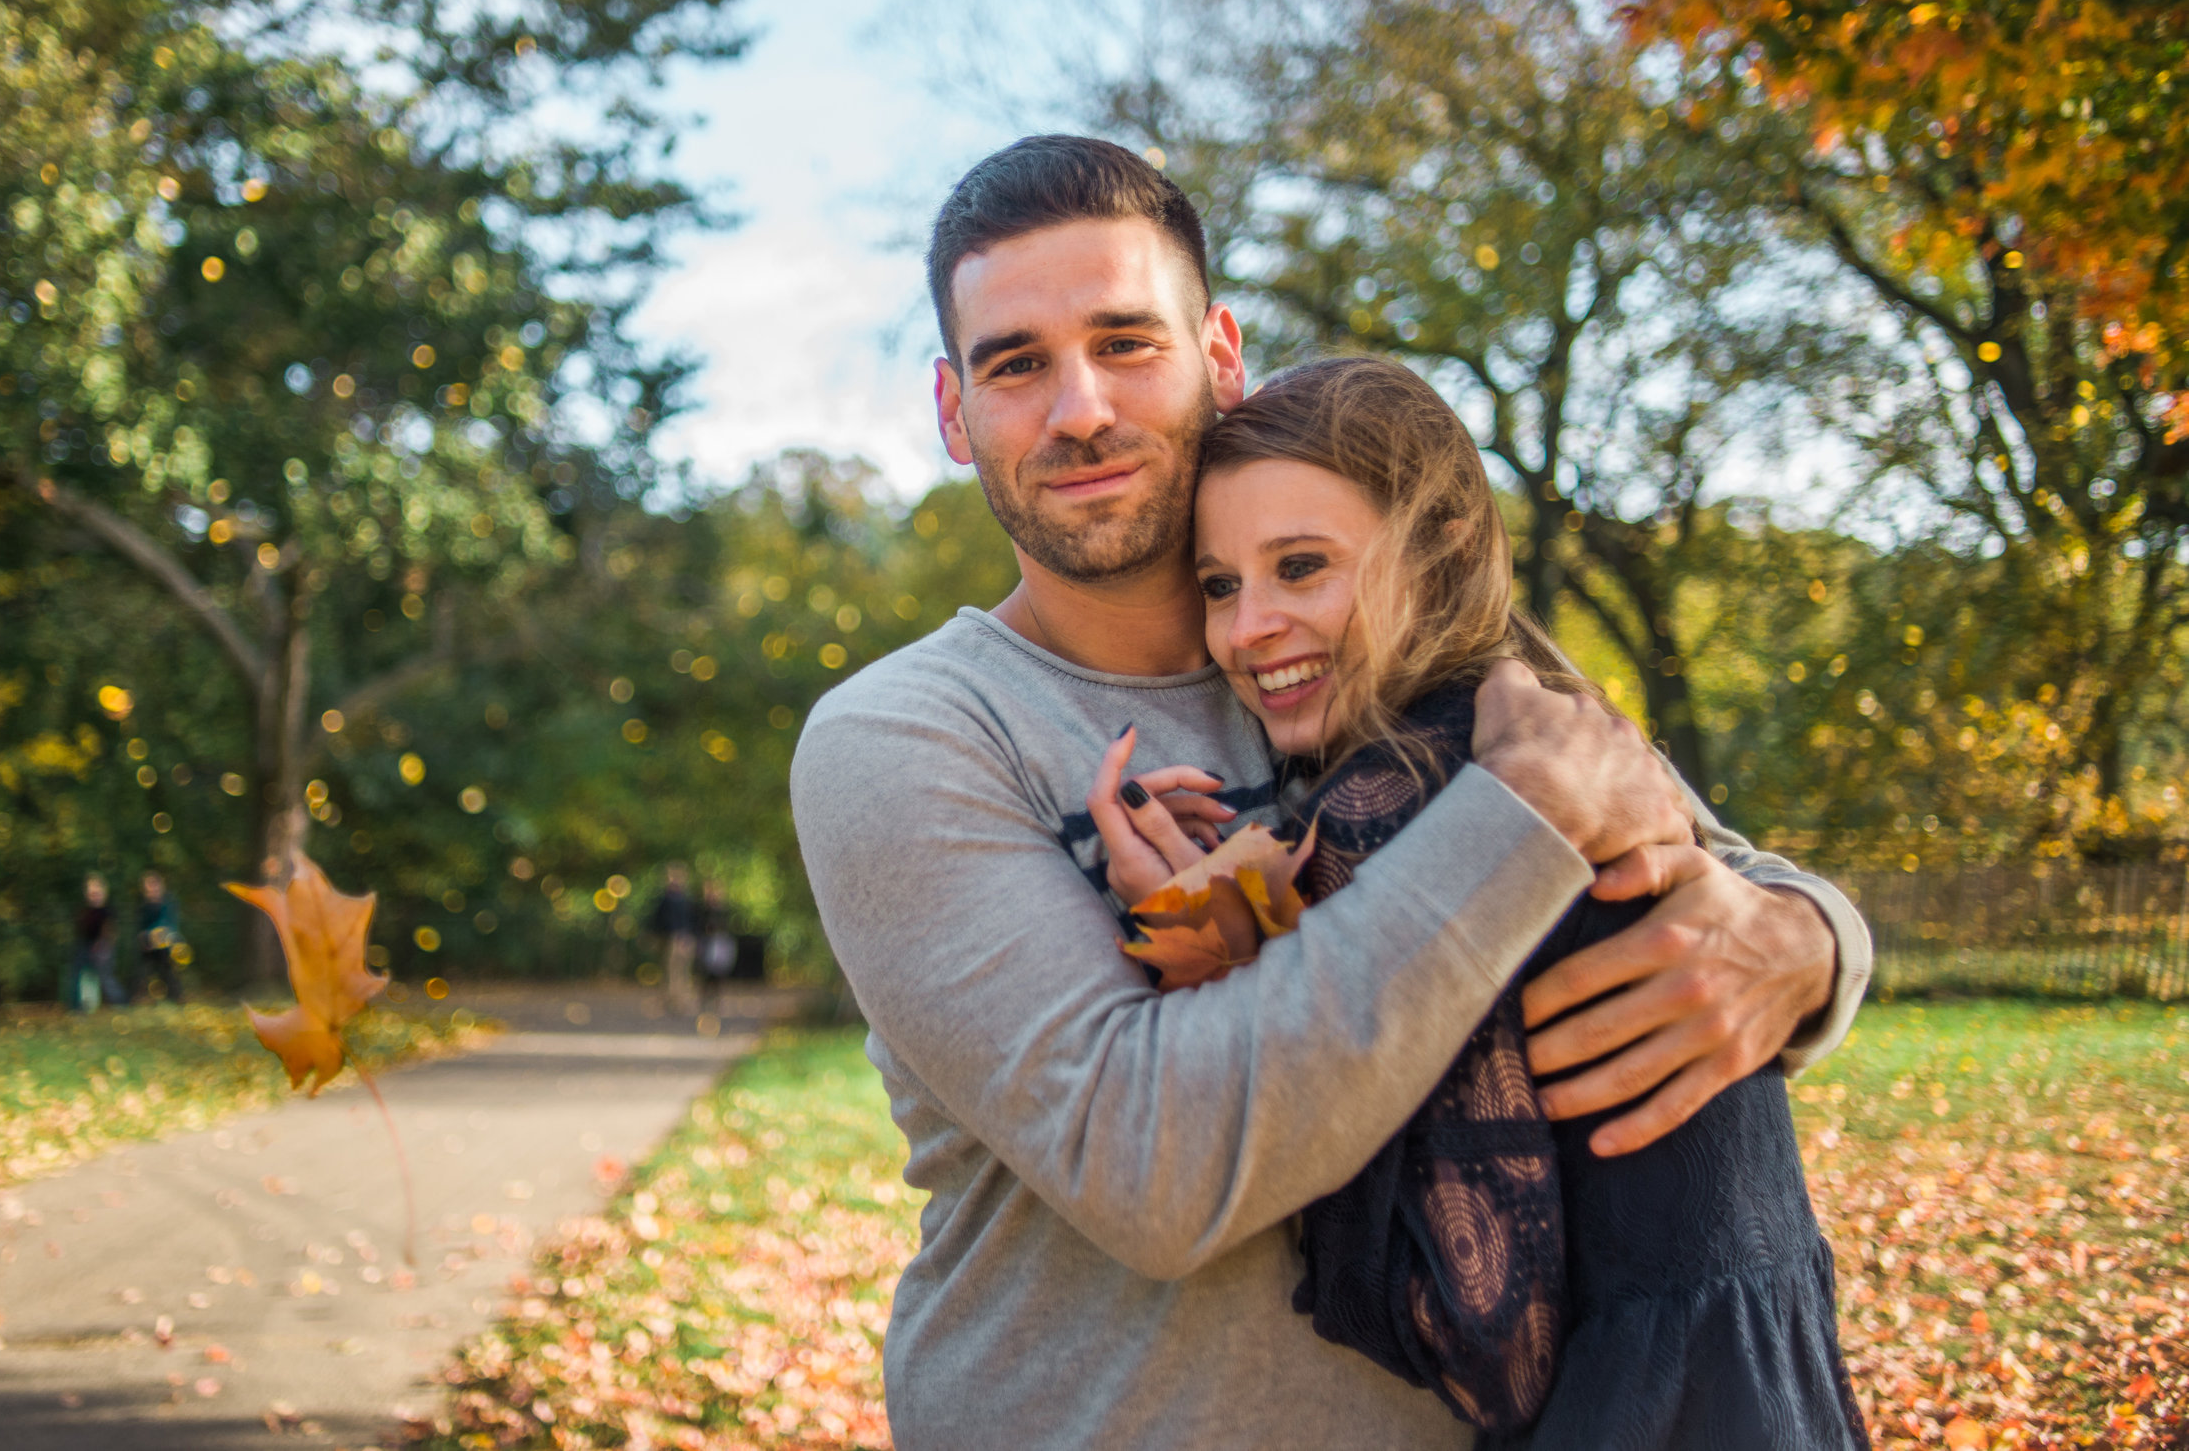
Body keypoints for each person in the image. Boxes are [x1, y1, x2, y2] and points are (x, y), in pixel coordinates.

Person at [787, 136, 1873, 1451]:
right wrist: (1512, 826)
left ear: (1221, 356)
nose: (1080, 410)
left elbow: (1699, 856)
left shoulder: (1379, 630)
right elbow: (1155, 1171)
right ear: (957, 414)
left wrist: (1813, 945)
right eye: (1018, 363)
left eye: (1128, 341)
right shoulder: (906, 736)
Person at [1094, 356, 1866, 1447]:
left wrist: (1187, 929)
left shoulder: (1412, 797)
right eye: (1220, 584)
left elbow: (1476, 1327)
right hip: (1775, 1378)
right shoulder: (1551, 725)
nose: (1246, 627)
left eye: (1301, 567)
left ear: (1445, 544)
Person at [646, 864, 700, 1015]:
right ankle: (671, 1000)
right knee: (670, 972)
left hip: (681, 939)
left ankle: (681, 1001)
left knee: (681, 972)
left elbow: (692, 921)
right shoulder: (667, 899)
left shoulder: (684, 900)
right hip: (671, 939)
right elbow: (659, 920)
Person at [70, 872, 126, 1012]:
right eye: (91, 892)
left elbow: (111, 932)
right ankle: (79, 1007)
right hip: (85, 946)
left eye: (97, 892)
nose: (94, 895)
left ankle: (121, 1003)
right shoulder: (85, 911)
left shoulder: (108, 911)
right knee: (78, 974)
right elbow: (81, 930)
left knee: (105, 977)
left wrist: (102, 945)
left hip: (103, 948)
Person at [137, 869, 184, 1004]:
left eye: (154, 885)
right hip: (149, 944)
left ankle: (175, 996)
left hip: (166, 943)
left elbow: (170, 925)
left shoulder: (168, 903)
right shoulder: (145, 906)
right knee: (143, 970)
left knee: (168, 970)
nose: (151, 889)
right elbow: (142, 927)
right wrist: (146, 938)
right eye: (148, 886)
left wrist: (159, 935)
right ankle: (140, 996)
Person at [697, 877, 737, 1017]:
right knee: (705, 970)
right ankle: (705, 998)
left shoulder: (723, 910)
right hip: (707, 942)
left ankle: (717, 999)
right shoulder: (702, 909)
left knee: (719, 971)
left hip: (719, 942)